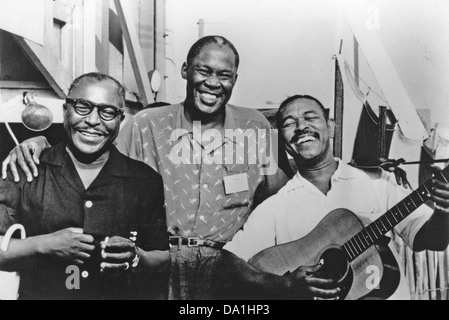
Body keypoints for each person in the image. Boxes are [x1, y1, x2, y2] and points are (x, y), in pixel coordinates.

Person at [1, 36, 291, 300]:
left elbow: (283, 196)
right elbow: (97, 151)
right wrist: (40, 142)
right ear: (185, 70)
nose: (213, 82)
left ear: (235, 79)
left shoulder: (258, 127)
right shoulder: (146, 123)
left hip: (228, 264)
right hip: (162, 268)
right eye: (204, 71)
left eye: (224, 74)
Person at [214, 95, 449, 300]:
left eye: (310, 117)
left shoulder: (379, 182)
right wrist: (284, 284)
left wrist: (444, 210)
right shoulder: (274, 207)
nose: (301, 127)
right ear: (282, 140)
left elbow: (432, 240)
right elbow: (225, 265)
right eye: (289, 123)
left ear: (331, 127)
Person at [0, 73, 170, 300]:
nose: (92, 120)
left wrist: (137, 256)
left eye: (107, 112)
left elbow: (163, 257)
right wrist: (43, 244)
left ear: (120, 120)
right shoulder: (25, 169)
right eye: (83, 107)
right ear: (65, 111)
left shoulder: (145, 181)